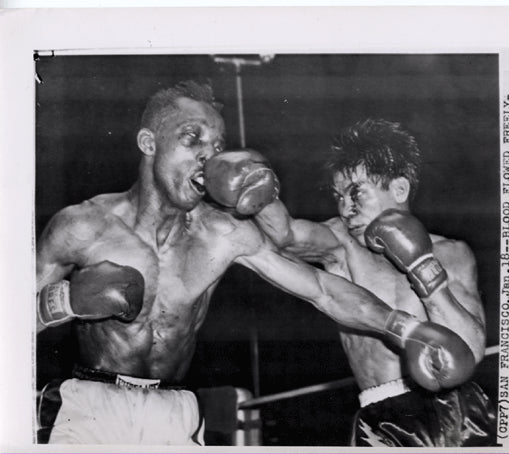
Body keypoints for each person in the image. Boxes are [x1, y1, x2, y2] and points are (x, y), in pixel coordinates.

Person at [36, 82, 476, 445]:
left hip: (175, 410)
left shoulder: (222, 233)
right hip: (90, 404)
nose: (208, 157)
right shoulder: (82, 226)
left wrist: (407, 328)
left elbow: (322, 290)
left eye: (217, 146)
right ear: (149, 143)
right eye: (192, 139)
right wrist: (62, 301)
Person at [231, 118, 497, 447]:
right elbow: (286, 235)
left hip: (459, 413)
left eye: (356, 193)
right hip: (381, 418)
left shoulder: (452, 253)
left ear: (399, 189)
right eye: (338, 196)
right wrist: (257, 187)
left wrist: (423, 268)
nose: (345, 208)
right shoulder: (341, 244)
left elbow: (469, 350)